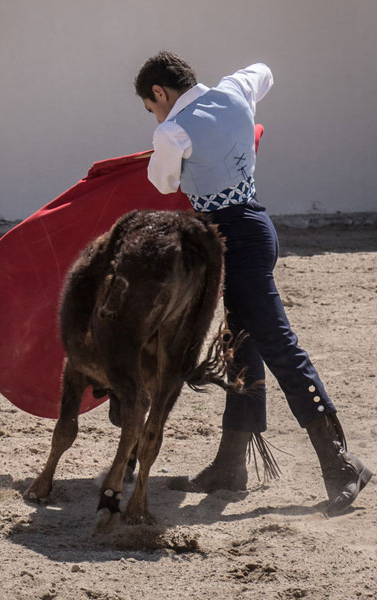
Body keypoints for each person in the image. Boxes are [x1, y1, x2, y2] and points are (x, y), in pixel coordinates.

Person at [134, 51, 372, 516]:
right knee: (241, 344)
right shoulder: (235, 91)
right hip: (257, 229)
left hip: (228, 240)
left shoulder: (171, 131)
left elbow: (163, 184)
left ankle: (341, 463)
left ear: (159, 93)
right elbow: (264, 70)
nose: (154, 115)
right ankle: (231, 465)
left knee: (279, 346)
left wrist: (171, 144)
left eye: (151, 106)